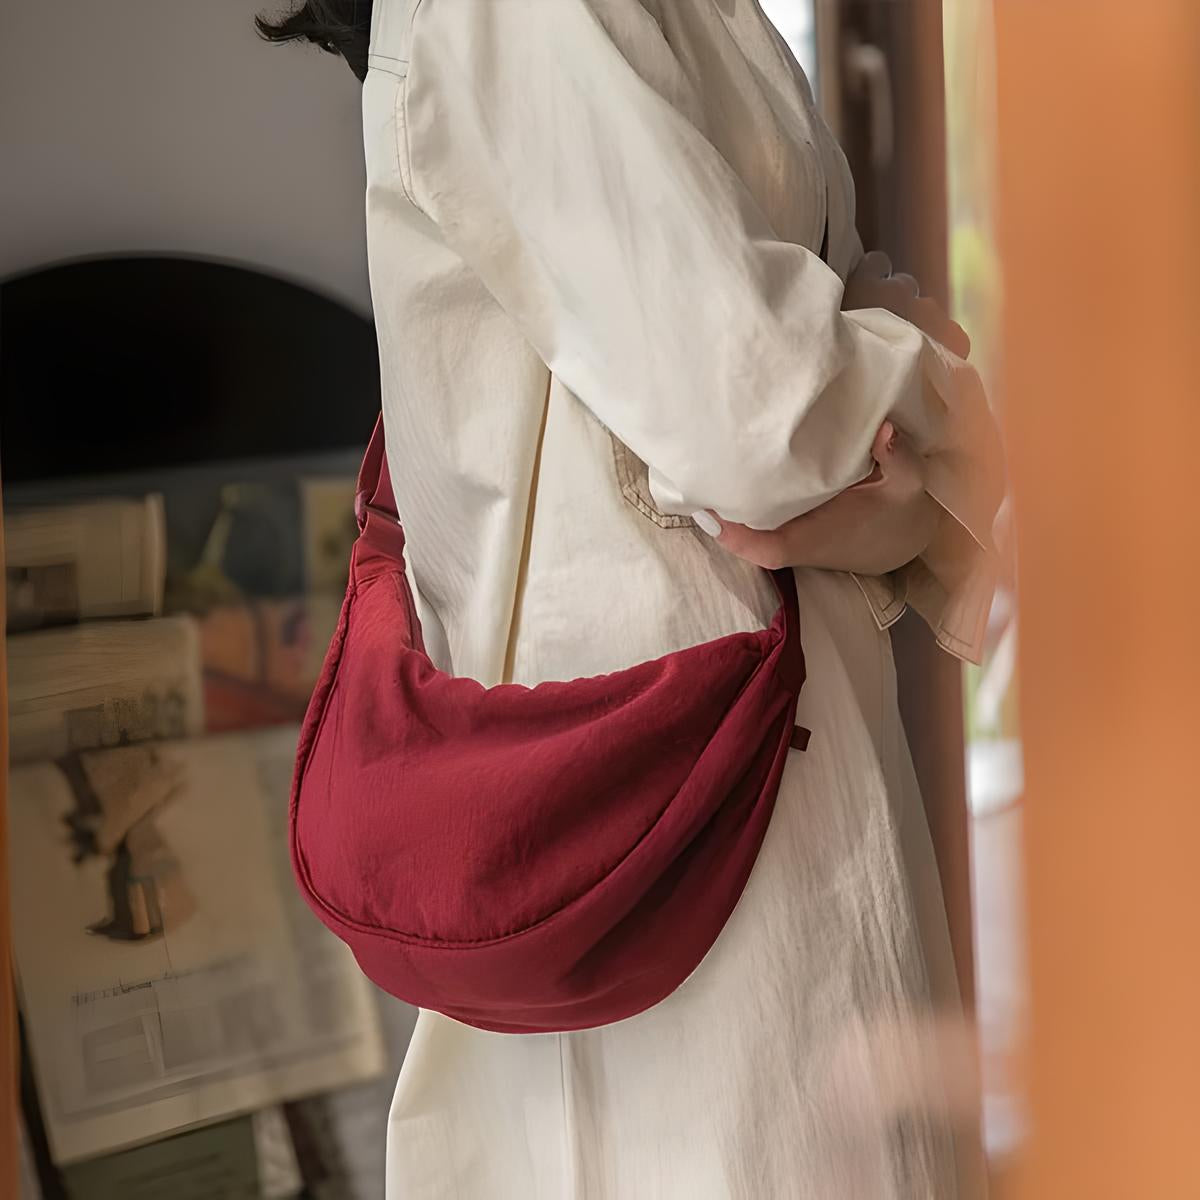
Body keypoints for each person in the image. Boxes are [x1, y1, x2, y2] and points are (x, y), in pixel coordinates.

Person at [259, 1, 1003, 1195]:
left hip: (744, 798)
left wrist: (900, 457)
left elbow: (822, 350)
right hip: (664, 841)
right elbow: (763, 413)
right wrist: (944, 431)